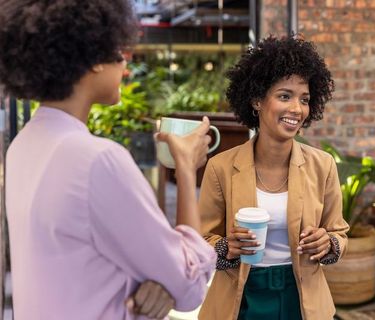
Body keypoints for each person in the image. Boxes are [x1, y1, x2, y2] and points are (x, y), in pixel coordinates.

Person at [0, 0, 216, 319]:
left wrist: (149, 281)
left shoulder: (23, 145)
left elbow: (80, 261)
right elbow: (189, 287)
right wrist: (185, 168)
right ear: (96, 56)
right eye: (120, 51)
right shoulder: (97, 161)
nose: (125, 65)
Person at [198, 35, 350, 320]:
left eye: (304, 99)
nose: (297, 109)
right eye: (284, 96)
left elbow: (339, 234)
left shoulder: (323, 165)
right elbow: (199, 241)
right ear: (257, 100)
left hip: (302, 299)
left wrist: (327, 243)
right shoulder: (220, 167)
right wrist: (225, 247)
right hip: (241, 299)